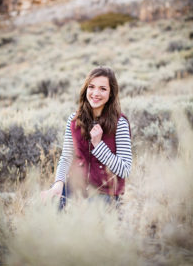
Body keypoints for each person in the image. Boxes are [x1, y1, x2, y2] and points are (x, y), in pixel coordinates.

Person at [41, 67, 132, 207]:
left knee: (86, 215)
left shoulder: (120, 123)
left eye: (103, 89)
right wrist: (58, 184)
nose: (96, 93)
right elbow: (66, 158)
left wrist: (99, 145)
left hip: (106, 193)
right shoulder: (73, 120)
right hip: (76, 188)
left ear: (111, 93)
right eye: (91, 87)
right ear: (86, 89)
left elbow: (125, 170)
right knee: (46, 206)